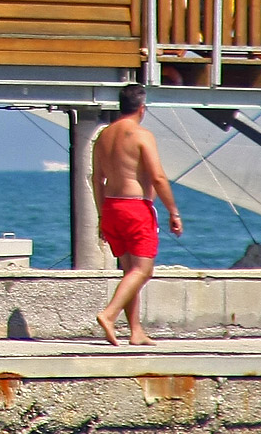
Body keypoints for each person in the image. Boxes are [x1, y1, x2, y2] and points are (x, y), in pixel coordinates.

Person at [91, 83, 181, 346]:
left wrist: (101, 216)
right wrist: (173, 211)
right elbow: (158, 177)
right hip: (134, 208)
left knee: (130, 270)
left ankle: (136, 330)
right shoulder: (142, 135)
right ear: (142, 108)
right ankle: (109, 315)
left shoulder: (103, 136)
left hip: (110, 207)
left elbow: (96, 179)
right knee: (143, 270)